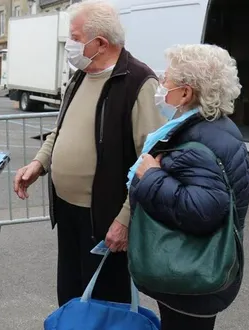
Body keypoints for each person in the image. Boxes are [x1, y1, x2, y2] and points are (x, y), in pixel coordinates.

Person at [13, 0, 166, 307]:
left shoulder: (137, 81)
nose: (68, 44)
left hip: (105, 218)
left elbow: (151, 160)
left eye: (74, 36)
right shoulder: (82, 74)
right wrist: (39, 163)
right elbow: (61, 128)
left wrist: (125, 220)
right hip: (69, 211)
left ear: (99, 43)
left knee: (104, 306)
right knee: (71, 299)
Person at [128, 44, 249, 330]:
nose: (161, 84)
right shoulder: (213, 127)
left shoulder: (197, 141)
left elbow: (202, 210)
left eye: (167, 79)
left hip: (191, 276)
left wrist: (150, 177)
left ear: (186, 93)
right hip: (197, 271)